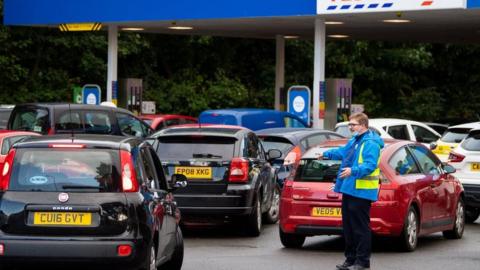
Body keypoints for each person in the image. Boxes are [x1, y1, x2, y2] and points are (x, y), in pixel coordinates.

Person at [317, 113, 384, 270]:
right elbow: (343, 152)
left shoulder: (371, 143)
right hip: (349, 189)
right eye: (350, 125)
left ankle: (362, 262)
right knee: (349, 228)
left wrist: (353, 171)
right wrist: (326, 154)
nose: (350, 127)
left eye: (353, 125)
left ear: (363, 125)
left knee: (360, 228)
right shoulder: (355, 140)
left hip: (362, 192)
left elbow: (370, 165)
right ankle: (350, 259)